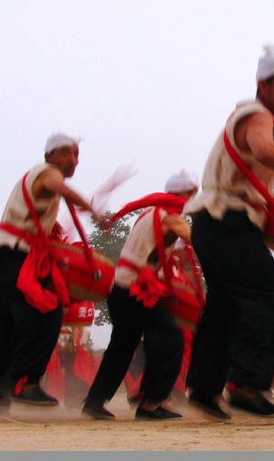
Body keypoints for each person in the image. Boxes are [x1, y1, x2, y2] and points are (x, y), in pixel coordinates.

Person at [183, 44, 274, 419]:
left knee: (226, 305)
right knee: (272, 294)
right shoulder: (258, 116)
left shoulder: (248, 115)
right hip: (227, 220)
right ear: (263, 84)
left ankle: (206, 389)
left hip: (213, 223)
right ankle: (247, 385)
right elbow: (263, 151)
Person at [0, 132, 99, 411]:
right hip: (10, 258)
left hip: (1, 258)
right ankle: (26, 383)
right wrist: (92, 209)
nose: (72, 160)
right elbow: (58, 186)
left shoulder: (39, 182)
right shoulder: (46, 173)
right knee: (46, 313)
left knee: (11, 323)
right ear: (49, 156)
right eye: (65, 152)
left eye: (76, 154)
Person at [82, 172, 197, 421]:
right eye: (191, 193)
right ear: (179, 195)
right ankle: (151, 403)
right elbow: (198, 240)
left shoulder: (148, 216)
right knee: (172, 340)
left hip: (120, 290)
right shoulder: (172, 219)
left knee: (122, 347)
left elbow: (152, 255)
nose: (194, 198)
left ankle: (94, 401)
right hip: (136, 289)